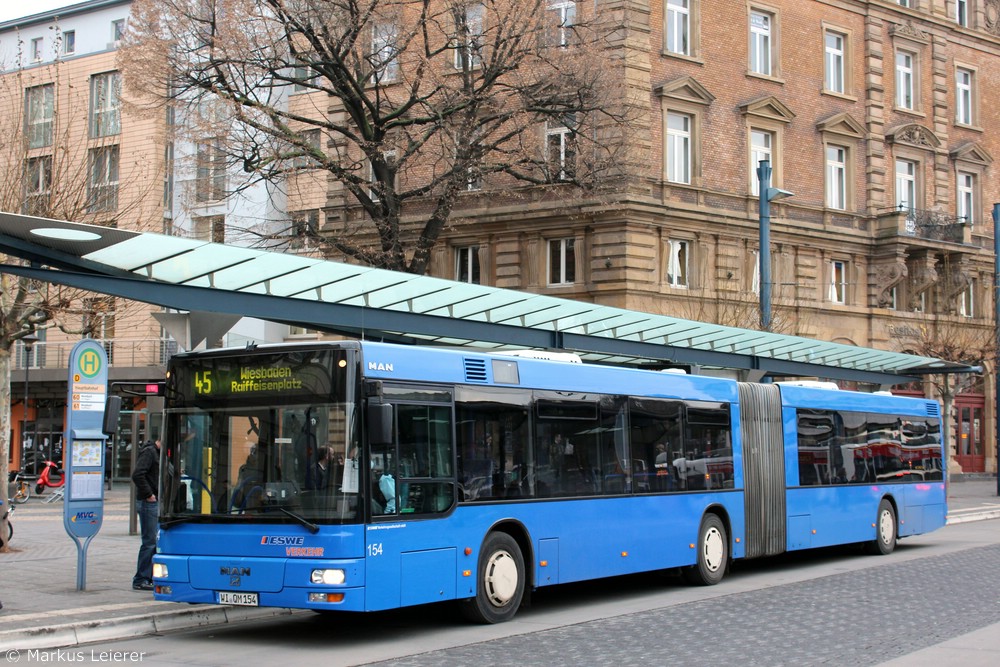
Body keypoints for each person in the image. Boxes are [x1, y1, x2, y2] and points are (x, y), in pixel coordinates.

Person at [131, 438, 160, 591]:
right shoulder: (150, 452)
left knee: (153, 541)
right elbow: (137, 474)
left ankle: (148, 576)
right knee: (149, 542)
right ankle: (141, 579)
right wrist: (149, 494)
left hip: (152, 501)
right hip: (148, 502)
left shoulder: (158, 453)